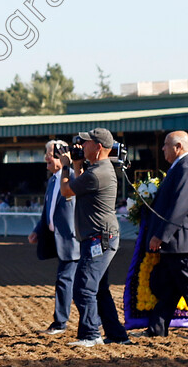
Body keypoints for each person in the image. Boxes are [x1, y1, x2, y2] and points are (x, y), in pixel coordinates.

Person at [139, 131, 188, 339]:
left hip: (187, 241)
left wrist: (160, 236)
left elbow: (179, 207)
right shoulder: (181, 167)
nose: (162, 148)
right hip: (180, 241)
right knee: (169, 286)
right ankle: (157, 329)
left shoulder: (187, 168)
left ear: (178, 147)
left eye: (166, 145)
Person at [58, 128, 131, 347]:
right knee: (98, 289)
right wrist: (78, 165)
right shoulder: (100, 169)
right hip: (101, 236)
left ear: (98, 147)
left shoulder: (98, 172)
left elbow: (67, 191)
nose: (82, 145)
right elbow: (80, 188)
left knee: (84, 287)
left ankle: (90, 334)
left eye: (86, 142)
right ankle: (117, 335)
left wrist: (65, 166)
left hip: (99, 237)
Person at [28, 140, 79, 336]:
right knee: (71, 282)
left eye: (49, 153)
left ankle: (60, 323)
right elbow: (47, 211)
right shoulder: (52, 181)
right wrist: (38, 231)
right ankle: (90, 320)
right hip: (58, 240)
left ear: (60, 156)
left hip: (73, 240)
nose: (46, 158)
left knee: (66, 281)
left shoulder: (73, 176)